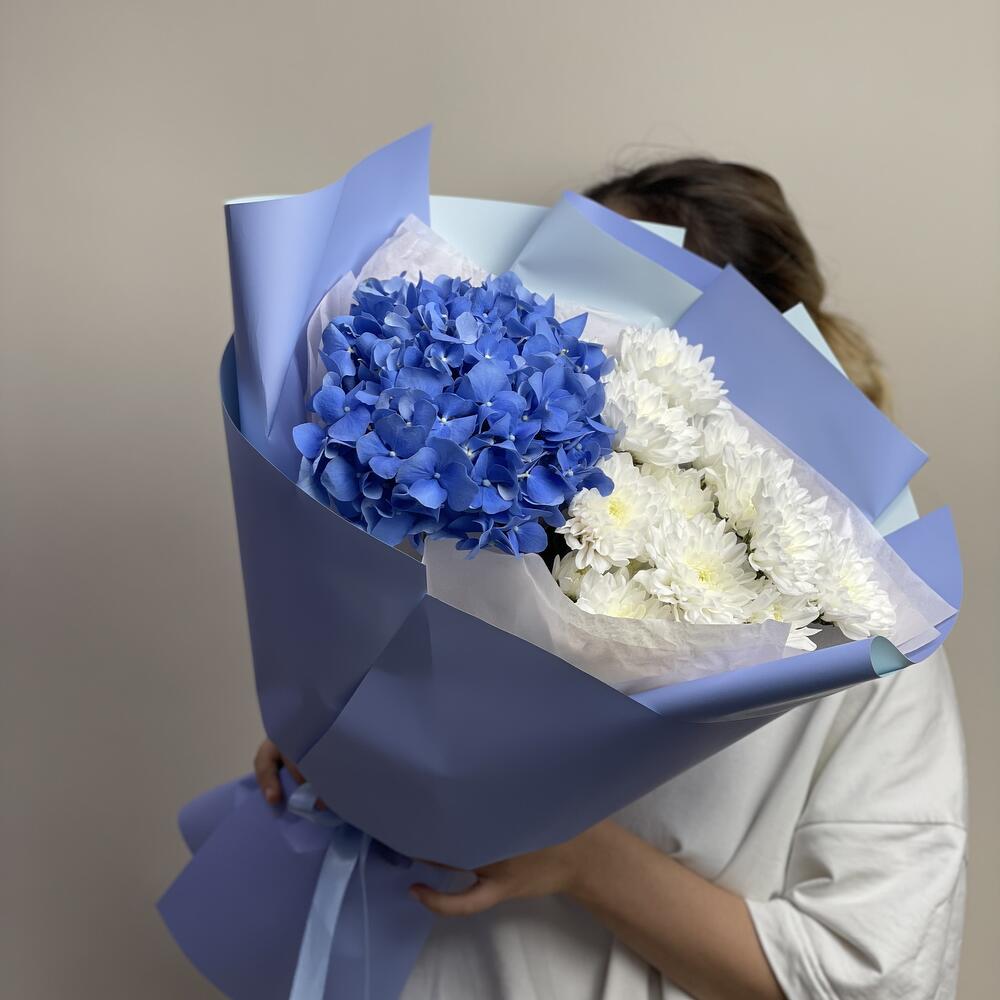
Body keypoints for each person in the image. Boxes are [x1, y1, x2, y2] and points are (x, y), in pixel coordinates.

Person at [253, 158, 967, 1000]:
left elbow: (876, 978)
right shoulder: (466, 515)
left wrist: (577, 857)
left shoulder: (865, 636)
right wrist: (342, 743)